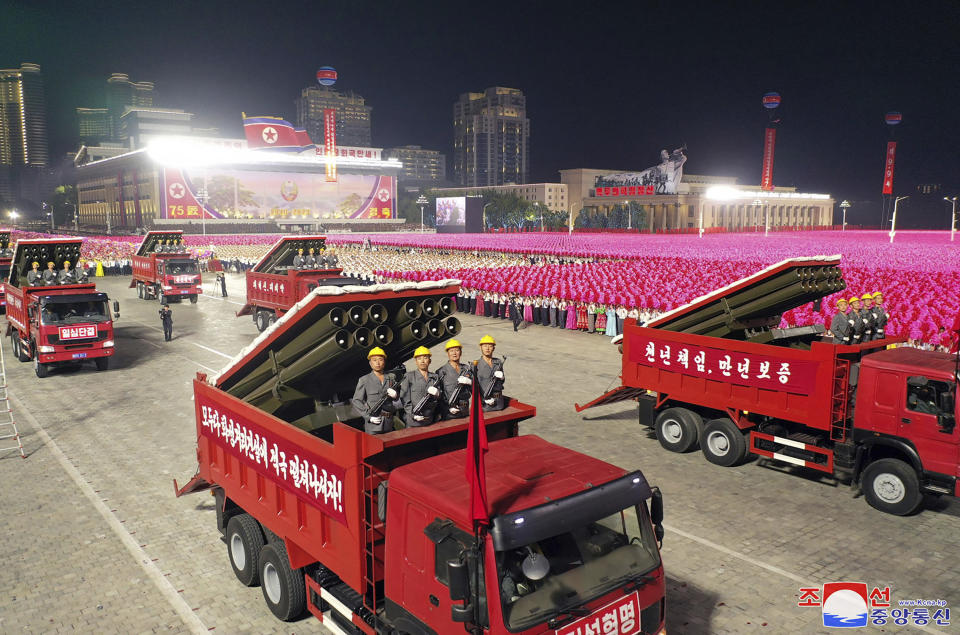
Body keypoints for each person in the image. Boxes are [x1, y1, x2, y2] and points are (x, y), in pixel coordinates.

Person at [351, 347, 400, 434]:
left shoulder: (391, 378)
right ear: (370, 363)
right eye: (374, 360)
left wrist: (396, 395)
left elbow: (399, 399)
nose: (377, 363)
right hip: (373, 424)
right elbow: (357, 400)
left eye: (380, 359)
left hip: (389, 423)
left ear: (384, 362)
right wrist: (368, 417)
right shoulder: (364, 380)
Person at [401, 346, 442, 427]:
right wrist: (413, 415)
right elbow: (405, 400)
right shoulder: (409, 376)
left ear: (430, 361)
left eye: (425, 358)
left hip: (430, 419)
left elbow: (440, 398)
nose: (422, 361)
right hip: (413, 422)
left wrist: (438, 393)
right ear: (416, 361)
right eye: (419, 358)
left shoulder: (435, 377)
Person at [437, 339, 472, 419]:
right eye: (451, 351)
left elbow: (476, 389)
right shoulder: (441, 372)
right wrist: (447, 408)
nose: (454, 353)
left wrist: (470, 382)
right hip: (449, 412)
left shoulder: (467, 369)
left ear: (461, 352)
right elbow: (439, 396)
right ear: (448, 353)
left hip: (465, 410)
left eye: (457, 350)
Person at [476, 335, 506, 411]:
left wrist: (502, 377)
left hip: (499, 403)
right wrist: (484, 399)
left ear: (494, 348)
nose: (487, 348)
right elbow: (473, 388)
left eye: (490, 346)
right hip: (484, 404)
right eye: (485, 346)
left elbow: (501, 382)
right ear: (480, 347)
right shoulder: (476, 365)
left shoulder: (498, 362)